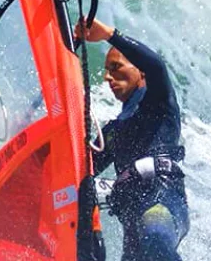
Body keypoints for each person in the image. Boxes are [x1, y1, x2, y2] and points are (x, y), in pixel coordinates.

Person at [79, 19, 188, 261]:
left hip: (163, 204)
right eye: (107, 70)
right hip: (132, 225)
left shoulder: (157, 103)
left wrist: (110, 35)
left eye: (116, 67)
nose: (108, 77)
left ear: (140, 72)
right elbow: (80, 171)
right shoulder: (113, 132)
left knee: (155, 240)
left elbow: (157, 66)